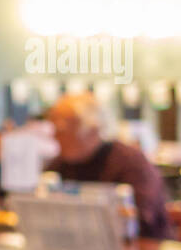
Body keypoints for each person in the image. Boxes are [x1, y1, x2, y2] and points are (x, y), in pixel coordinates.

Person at [43, 93, 170, 239]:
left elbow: (140, 221)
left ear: (92, 130)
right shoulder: (61, 163)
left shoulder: (131, 162)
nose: (54, 137)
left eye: (61, 130)